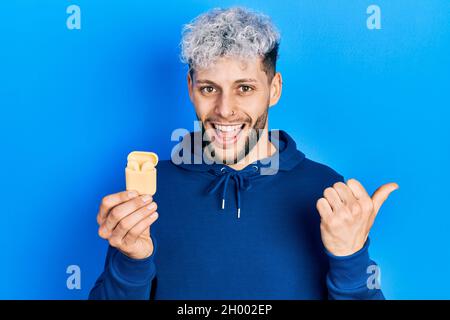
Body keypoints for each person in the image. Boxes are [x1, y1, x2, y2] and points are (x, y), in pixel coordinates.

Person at [89, 7, 398, 300]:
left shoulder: (326, 191)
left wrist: (350, 259)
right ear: (190, 87)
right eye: (209, 89)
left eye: (244, 88)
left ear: (274, 89)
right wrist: (131, 263)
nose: (225, 110)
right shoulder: (150, 192)